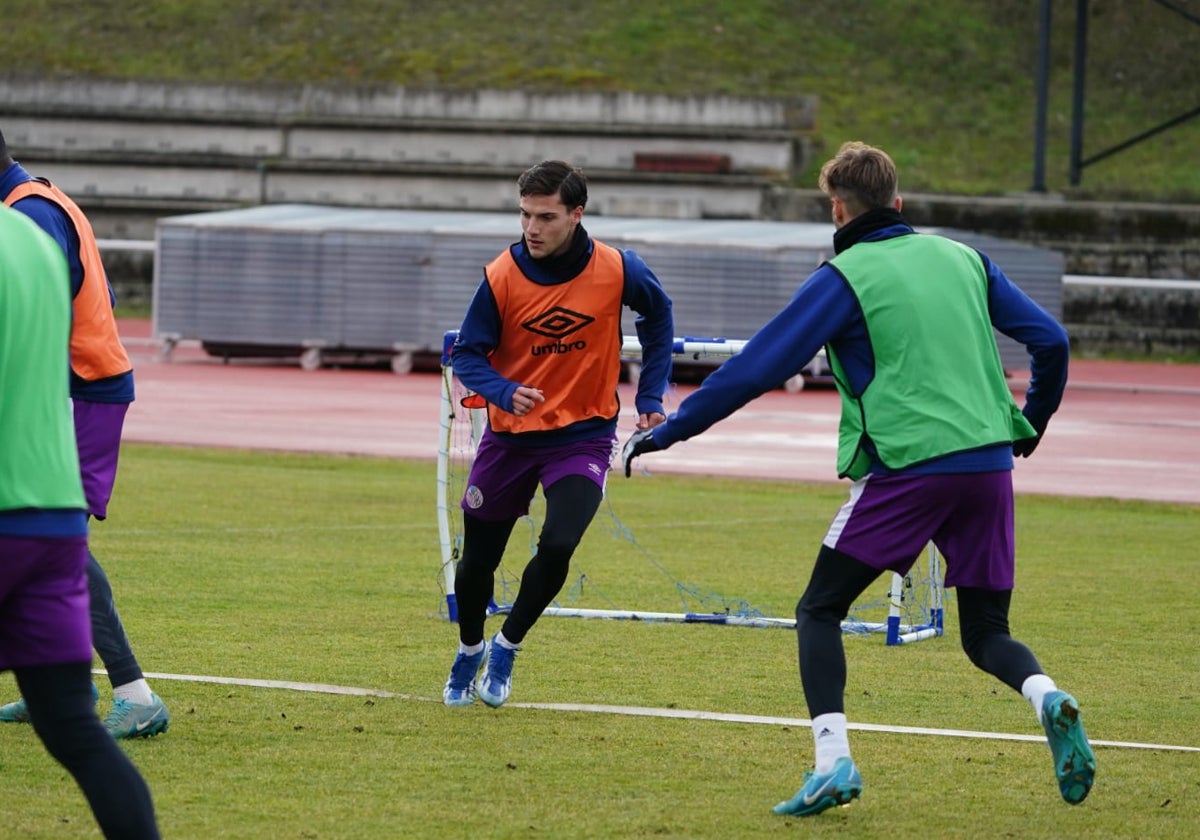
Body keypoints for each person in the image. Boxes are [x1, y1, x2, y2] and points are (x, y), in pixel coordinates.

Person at [623, 141, 1094, 815]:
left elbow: (756, 368)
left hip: (909, 469)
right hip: (988, 464)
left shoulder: (843, 276)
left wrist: (669, 430)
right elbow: (1051, 341)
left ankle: (833, 763)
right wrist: (1031, 424)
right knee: (986, 631)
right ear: (899, 204)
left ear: (837, 209)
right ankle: (1048, 696)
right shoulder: (965, 259)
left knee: (819, 609)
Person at [442, 160, 674, 708]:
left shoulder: (620, 269)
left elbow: (658, 317)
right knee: (477, 561)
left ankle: (508, 645)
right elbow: (467, 356)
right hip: (510, 439)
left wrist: (650, 397)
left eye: (545, 216)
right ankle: (470, 648)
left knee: (560, 542)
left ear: (576, 214)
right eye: (525, 215)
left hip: (583, 436)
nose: (531, 228)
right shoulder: (501, 275)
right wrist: (502, 390)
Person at [0, 130, 170, 738]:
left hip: (75, 395)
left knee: (56, 541)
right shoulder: (37, 202)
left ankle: (135, 693)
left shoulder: (30, 214)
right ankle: (50, 685)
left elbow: (32, 320)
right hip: (72, 390)